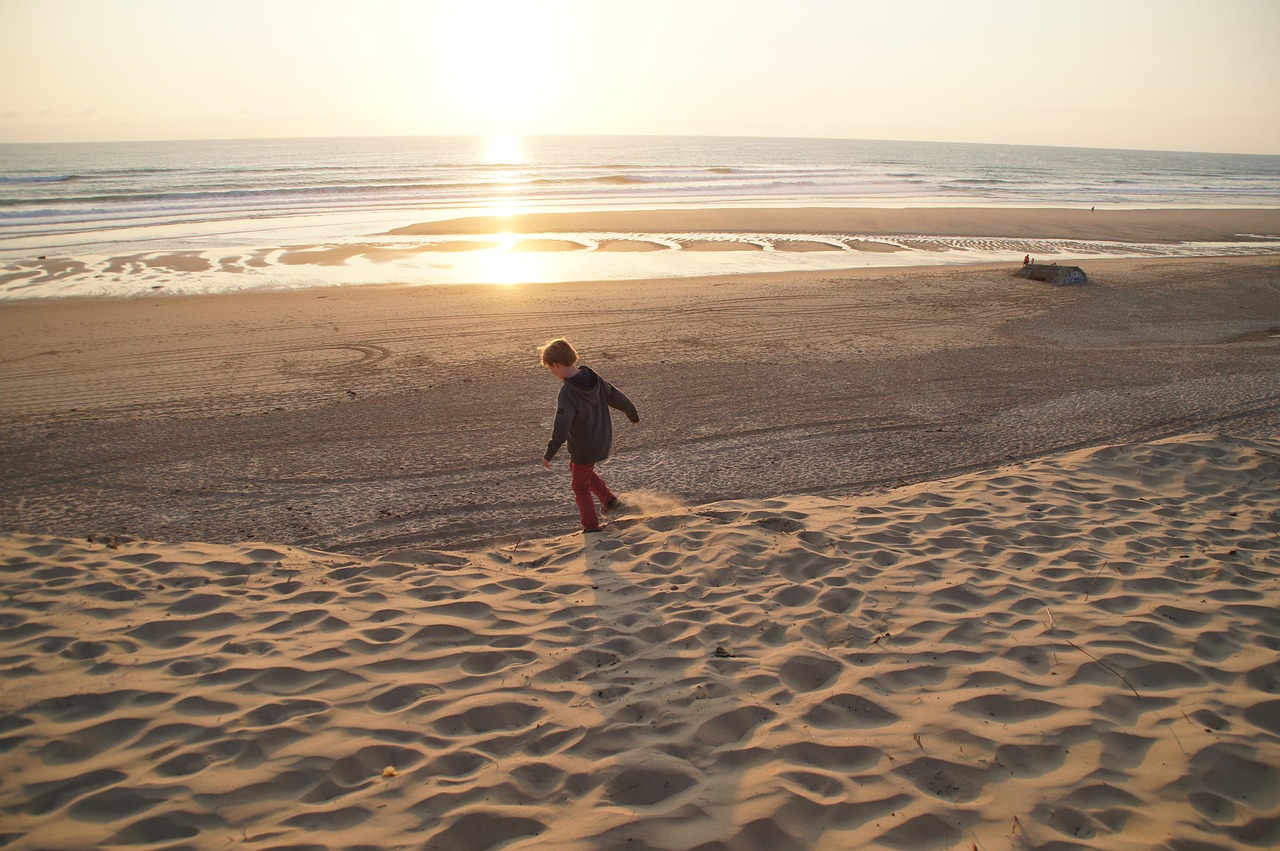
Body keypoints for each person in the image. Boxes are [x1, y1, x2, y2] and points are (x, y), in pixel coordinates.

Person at [538, 338, 640, 533]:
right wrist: (632, 413)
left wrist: (549, 453)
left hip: (585, 446)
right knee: (578, 469)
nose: (552, 372)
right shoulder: (593, 377)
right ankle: (608, 500)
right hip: (602, 439)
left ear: (557, 364)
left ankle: (591, 527)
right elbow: (616, 396)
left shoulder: (568, 392)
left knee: (579, 486)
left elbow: (561, 426)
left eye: (550, 368)